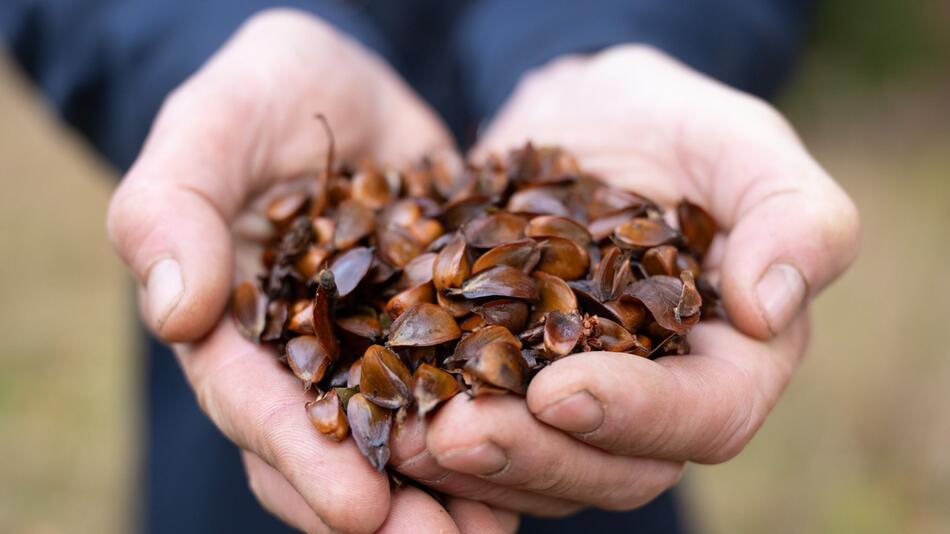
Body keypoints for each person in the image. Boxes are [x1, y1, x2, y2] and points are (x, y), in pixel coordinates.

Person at [1, 1, 860, 532]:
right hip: (235, 435)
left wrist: (616, 33)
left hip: (591, 470)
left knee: (578, 429)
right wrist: (212, 34)